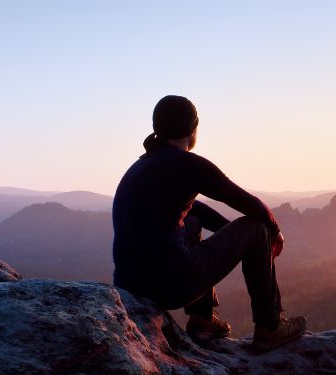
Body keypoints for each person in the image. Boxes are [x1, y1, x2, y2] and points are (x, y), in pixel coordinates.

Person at [112, 95, 306, 351]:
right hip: (170, 285)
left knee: (192, 219)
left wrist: (234, 239)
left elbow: (196, 210)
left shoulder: (142, 165)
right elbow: (247, 202)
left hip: (130, 285)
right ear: (193, 129)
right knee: (258, 228)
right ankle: (270, 327)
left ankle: (202, 320)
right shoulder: (187, 163)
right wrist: (273, 232)